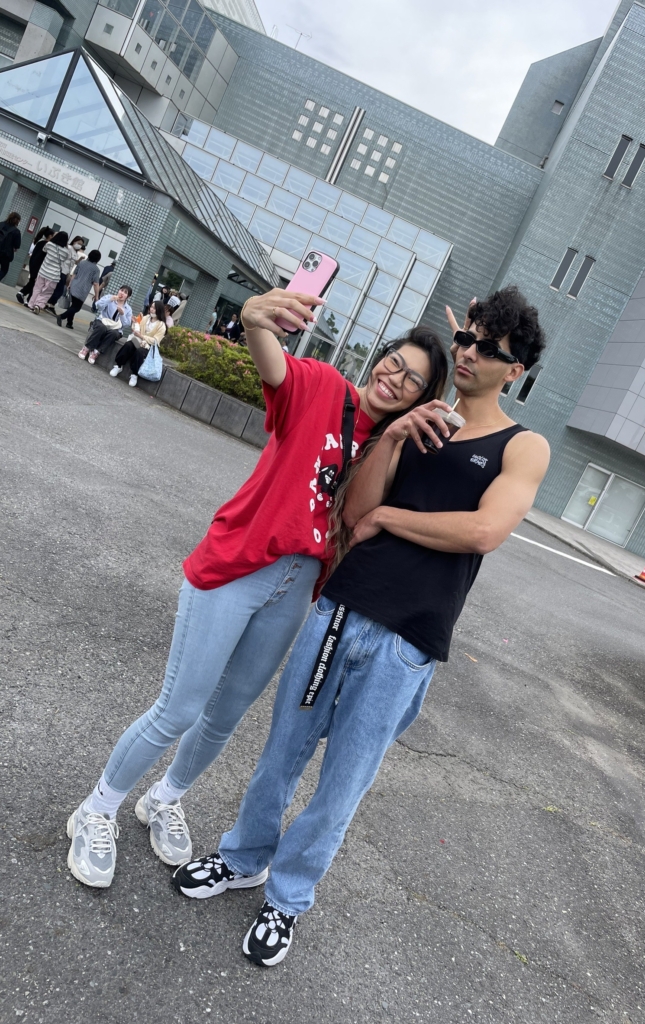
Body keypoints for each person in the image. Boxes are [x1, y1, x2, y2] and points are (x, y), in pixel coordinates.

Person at [172, 285, 551, 967]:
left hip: (408, 639)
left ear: (514, 369)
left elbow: (484, 530)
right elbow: (354, 513)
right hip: (340, 610)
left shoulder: (523, 446)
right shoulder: (423, 420)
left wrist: (388, 520)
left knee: (342, 783)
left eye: (486, 347)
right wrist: (395, 438)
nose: (467, 352)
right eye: (464, 339)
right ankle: (242, 858)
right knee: (281, 752)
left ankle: (287, 899)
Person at [66, 287, 448, 890]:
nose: (395, 379)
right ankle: (96, 810)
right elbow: (274, 364)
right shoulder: (324, 387)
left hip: (299, 586)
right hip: (238, 565)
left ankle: (164, 799)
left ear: (421, 399)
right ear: (380, 359)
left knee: (225, 716)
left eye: (413, 381)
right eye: (394, 362)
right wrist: (251, 320)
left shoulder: (389, 451)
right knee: (179, 708)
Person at [109, 299, 168, 387]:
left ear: (159, 310)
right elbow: (137, 329)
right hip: (138, 341)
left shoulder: (161, 325)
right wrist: (135, 323)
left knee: (140, 352)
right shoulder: (145, 318)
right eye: (151, 307)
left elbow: (155, 341)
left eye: (154, 308)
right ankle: (118, 366)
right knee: (128, 345)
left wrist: (142, 336)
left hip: (149, 346)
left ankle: (134, 374)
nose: (151, 309)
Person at [79, 285, 133, 363]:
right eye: (121, 290)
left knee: (114, 334)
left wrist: (122, 314)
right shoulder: (109, 297)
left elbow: (126, 324)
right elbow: (98, 305)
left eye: (125, 292)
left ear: (128, 297)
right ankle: (86, 348)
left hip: (116, 328)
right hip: (102, 321)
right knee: (101, 328)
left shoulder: (128, 309)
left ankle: (96, 352)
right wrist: (110, 300)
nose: (122, 293)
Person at [56, 249, 101, 330]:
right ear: (98, 259)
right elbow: (96, 283)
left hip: (74, 286)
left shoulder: (82, 263)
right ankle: (62, 316)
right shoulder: (96, 269)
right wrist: (97, 296)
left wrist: (70, 284)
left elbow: (74, 274)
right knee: (76, 308)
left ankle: (69, 323)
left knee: (73, 306)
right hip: (82, 290)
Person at [28, 231, 69, 312]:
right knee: (47, 292)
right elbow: (64, 259)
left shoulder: (49, 244)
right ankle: (38, 305)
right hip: (54, 275)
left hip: (43, 271)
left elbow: (44, 250)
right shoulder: (66, 251)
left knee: (37, 288)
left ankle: (31, 304)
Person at [16, 226, 53, 304]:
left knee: (32, 282)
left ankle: (22, 294)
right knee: (36, 284)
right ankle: (28, 299)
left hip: (33, 264)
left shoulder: (40, 242)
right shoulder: (46, 245)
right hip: (38, 267)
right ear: (50, 236)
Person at [45, 235, 81, 312]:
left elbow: (74, 262)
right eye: (79, 243)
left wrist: (80, 260)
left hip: (67, 273)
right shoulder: (69, 248)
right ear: (74, 241)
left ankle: (50, 303)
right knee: (59, 290)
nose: (80, 245)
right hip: (62, 271)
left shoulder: (76, 253)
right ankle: (49, 303)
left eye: (81, 244)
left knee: (59, 290)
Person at [0, 211, 21, 282]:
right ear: (17, 220)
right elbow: (17, 245)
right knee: (4, 270)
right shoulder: (16, 231)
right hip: (5, 254)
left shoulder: (0, 224)